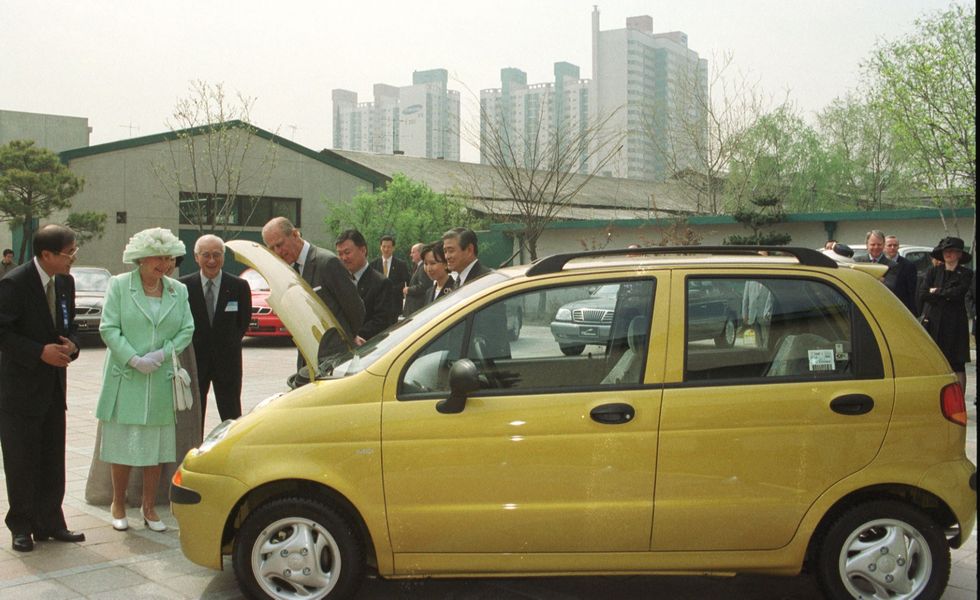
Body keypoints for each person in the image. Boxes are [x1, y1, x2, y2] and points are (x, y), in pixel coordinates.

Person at [95, 228, 194, 533]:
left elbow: (187, 329)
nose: (164, 265)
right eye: (158, 258)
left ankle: (149, 507)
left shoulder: (178, 289)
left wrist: (162, 354)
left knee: (156, 449)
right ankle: (118, 502)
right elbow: (108, 328)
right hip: (126, 376)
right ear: (140, 258)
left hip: (160, 377)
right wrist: (135, 358)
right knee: (122, 444)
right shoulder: (120, 285)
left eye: (169, 258)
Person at [0, 225, 83, 552]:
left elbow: (70, 325)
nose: (73, 259)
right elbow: (3, 334)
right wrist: (39, 352)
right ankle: (21, 525)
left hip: (53, 388)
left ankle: (51, 521)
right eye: (69, 253)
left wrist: (72, 346)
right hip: (19, 390)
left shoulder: (65, 282)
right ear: (46, 255)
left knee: (52, 458)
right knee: (21, 461)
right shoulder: (14, 284)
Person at [261, 217, 364, 363]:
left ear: (295, 234)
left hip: (335, 358)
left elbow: (356, 309)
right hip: (307, 357)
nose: (277, 252)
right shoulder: (288, 270)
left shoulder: (327, 263)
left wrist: (344, 339)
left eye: (280, 244)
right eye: (271, 248)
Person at [179, 235, 251, 425]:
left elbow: (243, 322)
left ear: (224, 257)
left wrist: (227, 342)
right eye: (206, 255)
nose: (212, 260)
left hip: (228, 363)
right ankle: (194, 451)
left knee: (232, 415)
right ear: (196, 257)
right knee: (193, 416)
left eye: (217, 255)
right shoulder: (183, 287)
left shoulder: (239, 286)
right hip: (194, 361)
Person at [918, 236, 973, 392]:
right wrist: (944, 294)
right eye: (946, 251)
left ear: (959, 254)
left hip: (955, 323)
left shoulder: (966, 274)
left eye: (953, 251)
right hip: (933, 322)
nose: (949, 254)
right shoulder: (933, 272)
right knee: (933, 361)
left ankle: (959, 401)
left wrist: (936, 292)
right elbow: (923, 294)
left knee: (957, 364)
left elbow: (958, 293)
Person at [336, 229, 396, 345]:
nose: (343, 258)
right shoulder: (339, 281)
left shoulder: (381, 283)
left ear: (363, 250)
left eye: (347, 252)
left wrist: (351, 337)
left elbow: (381, 322)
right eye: (340, 254)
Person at [369, 235, 411, 318]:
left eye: (389, 247)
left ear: (393, 248)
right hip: (377, 306)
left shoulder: (401, 265)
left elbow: (407, 282)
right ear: (380, 247)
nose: (386, 249)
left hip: (394, 306)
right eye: (384, 246)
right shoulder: (373, 264)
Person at [883, 235, 918, 314]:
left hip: (901, 308)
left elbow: (911, 291)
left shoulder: (908, 266)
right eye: (889, 245)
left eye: (895, 245)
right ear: (884, 247)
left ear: (898, 247)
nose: (892, 247)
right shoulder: (878, 263)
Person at [403, 242, 433, 317]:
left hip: (417, 310)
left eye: (413, 252)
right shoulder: (418, 267)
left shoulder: (423, 267)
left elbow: (424, 286)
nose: (411, 255)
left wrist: (408, 290)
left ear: (420, 253)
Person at [421, 241, 454, 305]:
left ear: (445, 264)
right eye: (425, 264)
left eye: (433, 263)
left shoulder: (455, 289)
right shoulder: (429, 292)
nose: (428, 268)